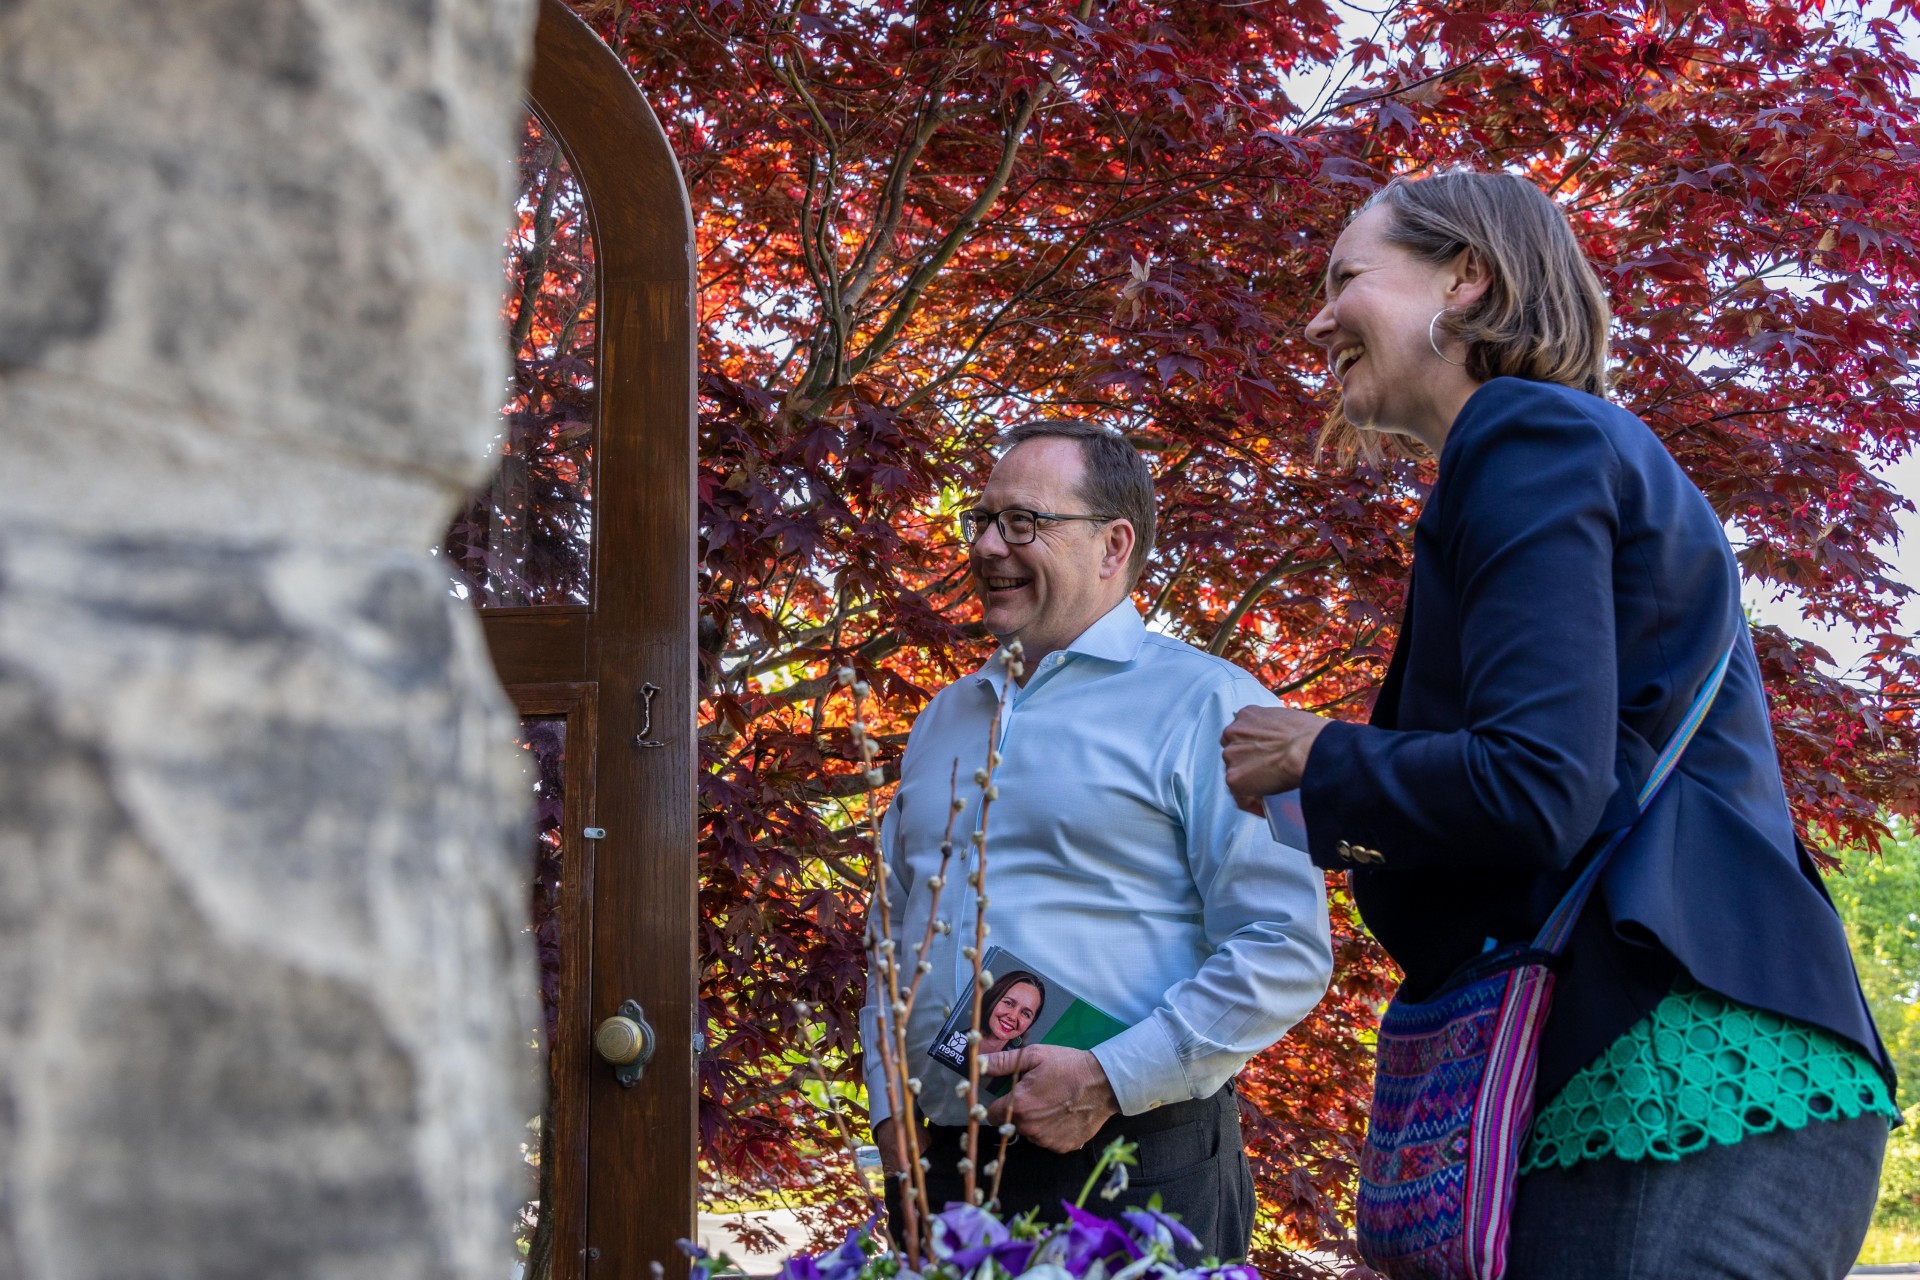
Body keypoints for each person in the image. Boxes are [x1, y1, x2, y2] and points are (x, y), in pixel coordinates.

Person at [1219, 170, 1898, 1278]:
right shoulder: (1569, 443)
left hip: (1666, 1061)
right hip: (1702, 1057)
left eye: (1347, 277)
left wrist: (1319, 753)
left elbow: (1536, 781)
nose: (1318, 315)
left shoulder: (1523, 433)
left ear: (1467, 280)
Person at [861, 419, 1333, 1260]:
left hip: (1133, 1163)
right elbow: (892, 929)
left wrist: (1109, 1077)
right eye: (980, 518)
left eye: (1023, 522)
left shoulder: (1214, 706)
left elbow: (1285, 948)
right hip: (942, 1168)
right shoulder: (942, 719)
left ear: (1114, 544)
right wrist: (890, 1100)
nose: (987, 544)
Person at [930, 971, 1046, 1070]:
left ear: (1031, 1022)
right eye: (1008, 1003)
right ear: (993, 999)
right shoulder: (941, 1042)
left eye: (1026, 1014)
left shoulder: (1019, 1072)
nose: (1013, 1017)